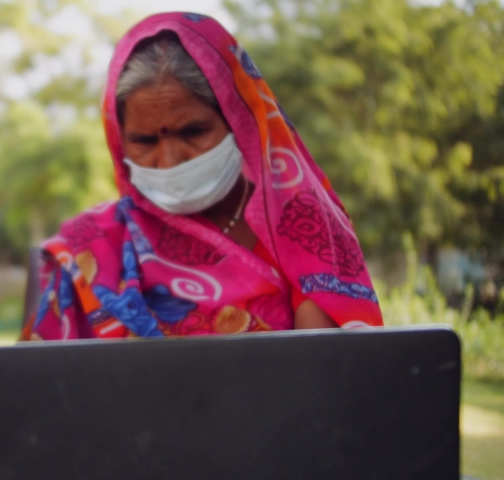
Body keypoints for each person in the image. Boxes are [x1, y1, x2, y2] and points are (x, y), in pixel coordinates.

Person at [22, 13, 383, 342]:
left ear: (239, 120)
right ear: (120, 142)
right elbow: (44, 383)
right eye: (144, 141)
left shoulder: (303, 231)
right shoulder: (92, 249)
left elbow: (322, 373)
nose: (170, 160)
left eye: (193, 132)